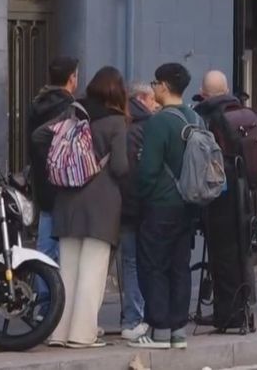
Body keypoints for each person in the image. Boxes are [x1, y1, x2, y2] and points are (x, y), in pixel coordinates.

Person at [49, 66, 129, 349]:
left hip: (67, 199)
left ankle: (58, 332)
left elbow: (39, 137)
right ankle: (82, 334)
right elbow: (120, 166)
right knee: (93, 271)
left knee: (67, 270)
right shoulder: (117, 122)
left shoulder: (73, 112)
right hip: (101, 203)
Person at [131, 63, 198, 350]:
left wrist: (141, 196)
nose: (154, 87)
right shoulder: (196, 118)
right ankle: (177, 331)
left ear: (166, 86)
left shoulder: (159, 122)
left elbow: (148, 170)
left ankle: (159, 330)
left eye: (156, 82)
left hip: (160, 205)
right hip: (189, 204)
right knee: (179, 267)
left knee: (154, 266)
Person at [194, 70, 257, 331]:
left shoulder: (209, 115)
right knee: (242, 253)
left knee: (222, 256)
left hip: (221, 195)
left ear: (205, 91)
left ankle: (227, 314)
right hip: (247, 194)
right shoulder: (245, 113)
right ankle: (243, 308)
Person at [27, 56, 79, 270]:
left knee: (45, 243)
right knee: (62, 248)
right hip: (62, 182)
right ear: (71, 78)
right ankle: (55, 295)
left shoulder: (37, 103)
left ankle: (44, 294)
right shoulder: (69, 107)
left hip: (41, 179)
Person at [119, 81, 158, 341]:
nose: (156, 105)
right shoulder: (147, 127)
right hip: (142, 206)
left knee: (128, 262)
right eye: (154, 100)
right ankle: (135, 317)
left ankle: (130, 316)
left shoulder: (123, 123)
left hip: (122, 205)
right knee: (139, 263)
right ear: (143, 98)